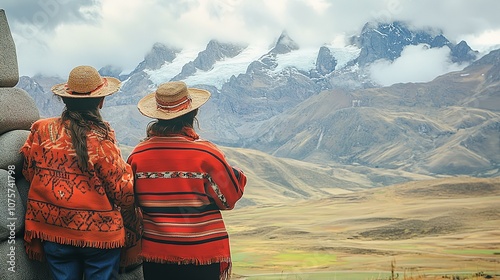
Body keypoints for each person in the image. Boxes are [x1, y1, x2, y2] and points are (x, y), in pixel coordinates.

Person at [20, 65, 141, 280]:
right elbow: (123, 192)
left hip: (54, 232)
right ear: (100, 101)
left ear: (65, 100)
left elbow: (30, 172)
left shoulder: (41, 130)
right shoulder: (102, 140)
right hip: (100, 237)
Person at [127, 81, 247, 280]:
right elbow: (229, 199)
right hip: (202, 255)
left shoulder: (138, 155)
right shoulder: (207, 154)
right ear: (193, 115)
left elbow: (133, 201)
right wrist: (236, 174)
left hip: (156, 253)